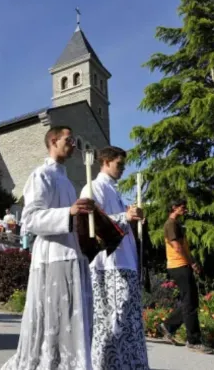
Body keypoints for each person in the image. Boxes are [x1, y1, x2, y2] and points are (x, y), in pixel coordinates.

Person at [2, 126, 95, 370]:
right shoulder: (41, 175)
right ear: (53, 141)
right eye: (69, 139)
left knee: (70, 316)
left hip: (72, 253)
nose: (73, 144)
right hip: (52, 256)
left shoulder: (66, 181)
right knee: (55, 316)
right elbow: (30, 218)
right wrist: (69, 212)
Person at [81, 146, 149, 369]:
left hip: (125, 261)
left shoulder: (114, 190)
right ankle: (106, 364)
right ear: (106, 162)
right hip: (108, 266)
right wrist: (124, 216)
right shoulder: (94, 188)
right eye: (119, 164)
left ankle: (128, 364)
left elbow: (118, 223)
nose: (123, 169)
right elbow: (94, 225)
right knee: (112, 320)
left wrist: (132, 219)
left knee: (128, 320)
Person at [159, 199, 214, 354]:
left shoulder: (176, 224)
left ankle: (168, 326)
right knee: (190, 302)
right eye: (182, 207)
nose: (185, 209)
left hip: (183, 265)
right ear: (174, 207)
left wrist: (192, 262)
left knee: (191, 301)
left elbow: (183, 247)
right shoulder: (170, 224)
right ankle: (193, 341)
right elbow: (177, 247)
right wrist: (191, 263)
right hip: (179, 266)